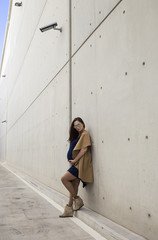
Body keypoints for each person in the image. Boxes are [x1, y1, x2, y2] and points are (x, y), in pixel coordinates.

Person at [59, 117, 93, 217]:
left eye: (79, 124)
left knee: (64, 179)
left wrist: (74, 160)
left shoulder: (85, 134)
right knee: (73, 185)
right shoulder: (79, 135)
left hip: (80, 164)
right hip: (77, 163)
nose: (77, 127)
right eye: (75, 126)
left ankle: (77, 199)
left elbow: (84, 149)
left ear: (83, 124)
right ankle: (69, 209)